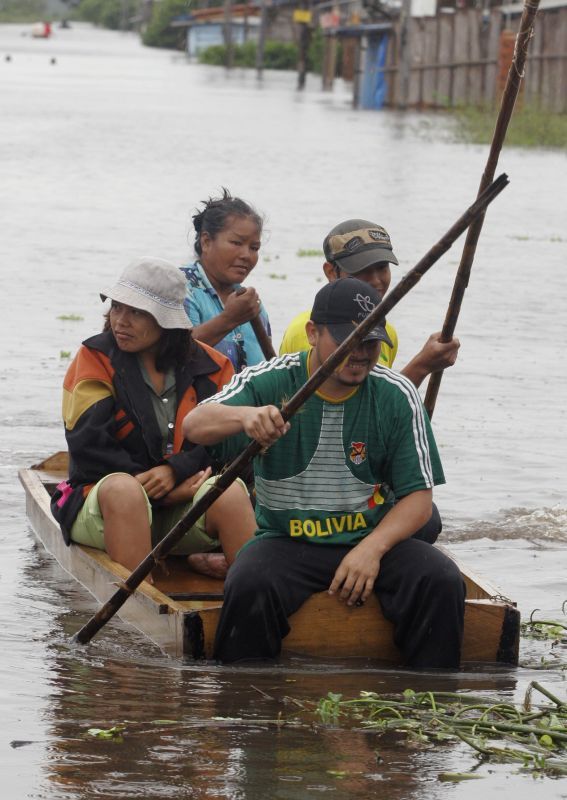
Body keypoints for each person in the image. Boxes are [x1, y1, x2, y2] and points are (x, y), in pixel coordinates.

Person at [183, 277, 466, 668]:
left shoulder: (396, 393)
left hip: (369, 537)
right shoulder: (272, 379)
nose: (361, 354)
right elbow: (195, 424)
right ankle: (247, 707)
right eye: (348, 341)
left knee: (442, 580)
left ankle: (432, 704)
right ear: (313, 333)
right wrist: (247, 417)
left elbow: (419, 499)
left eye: (370, 343)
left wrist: (372, 548)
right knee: (249, 582)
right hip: (286, 541)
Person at [51, 257, 256, 580]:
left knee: (228, 491)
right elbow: (90, 450)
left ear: (167, 321)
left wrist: (177, 470)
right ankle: (138, 615)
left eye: (136, 312)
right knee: (124, 490)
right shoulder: (94, 358)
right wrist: (157, 490)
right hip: (104, 506)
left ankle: (254, 598)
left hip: (180, 503)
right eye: (117, 308)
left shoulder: (213, 367)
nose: (121, 321)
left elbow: (228, 450)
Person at [279, 219, 460, 388]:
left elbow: (375, 404)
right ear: (331, 272)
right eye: (362, 270)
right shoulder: (314, 331)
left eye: (382, 268)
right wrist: (421, 366)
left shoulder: (386, 332)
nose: (375, 281)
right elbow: (342, 406)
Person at [181, 189, 272, 373]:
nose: (246, 255)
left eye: (254, 247)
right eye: (236, 243)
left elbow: (267, 369)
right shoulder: (180, 288)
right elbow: (175, 353)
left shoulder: (251, 304)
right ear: (206, 241)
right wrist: (229, 319)